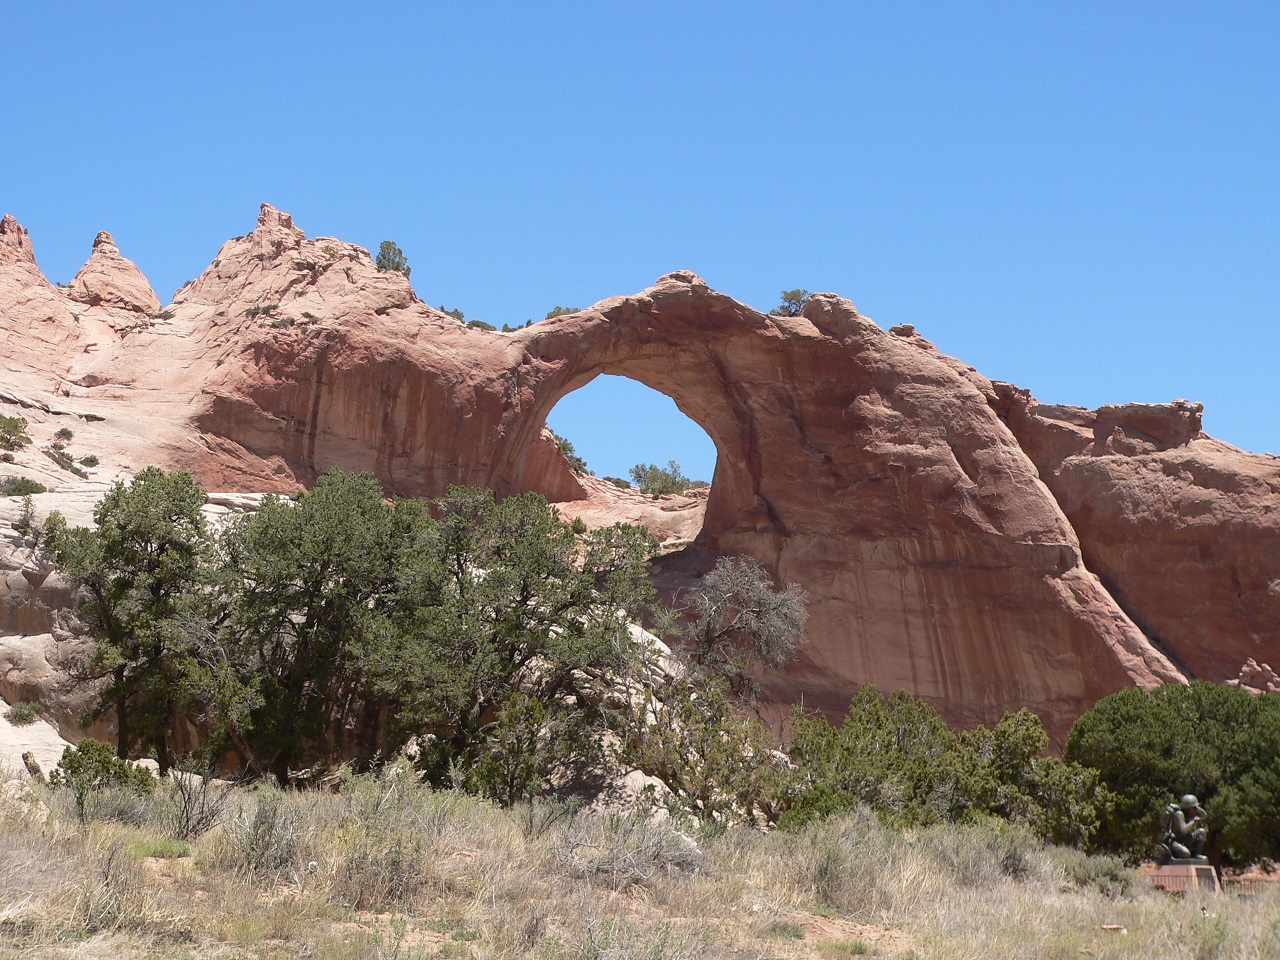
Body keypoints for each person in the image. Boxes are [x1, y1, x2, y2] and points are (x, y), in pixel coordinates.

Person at [1161, 794, 1208, 861]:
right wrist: (1193, 822)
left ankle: (1197, 854)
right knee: (1186, 854)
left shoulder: (1189, 814)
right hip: (1175, 841)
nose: (1195, 809)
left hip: (1184, 839)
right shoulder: (1179, 814)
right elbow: (1184, 831)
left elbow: (1204, 815)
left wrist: (1196, 807)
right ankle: (1172, 854)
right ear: (1188, 808)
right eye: (1193, 807)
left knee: (1202, 832)